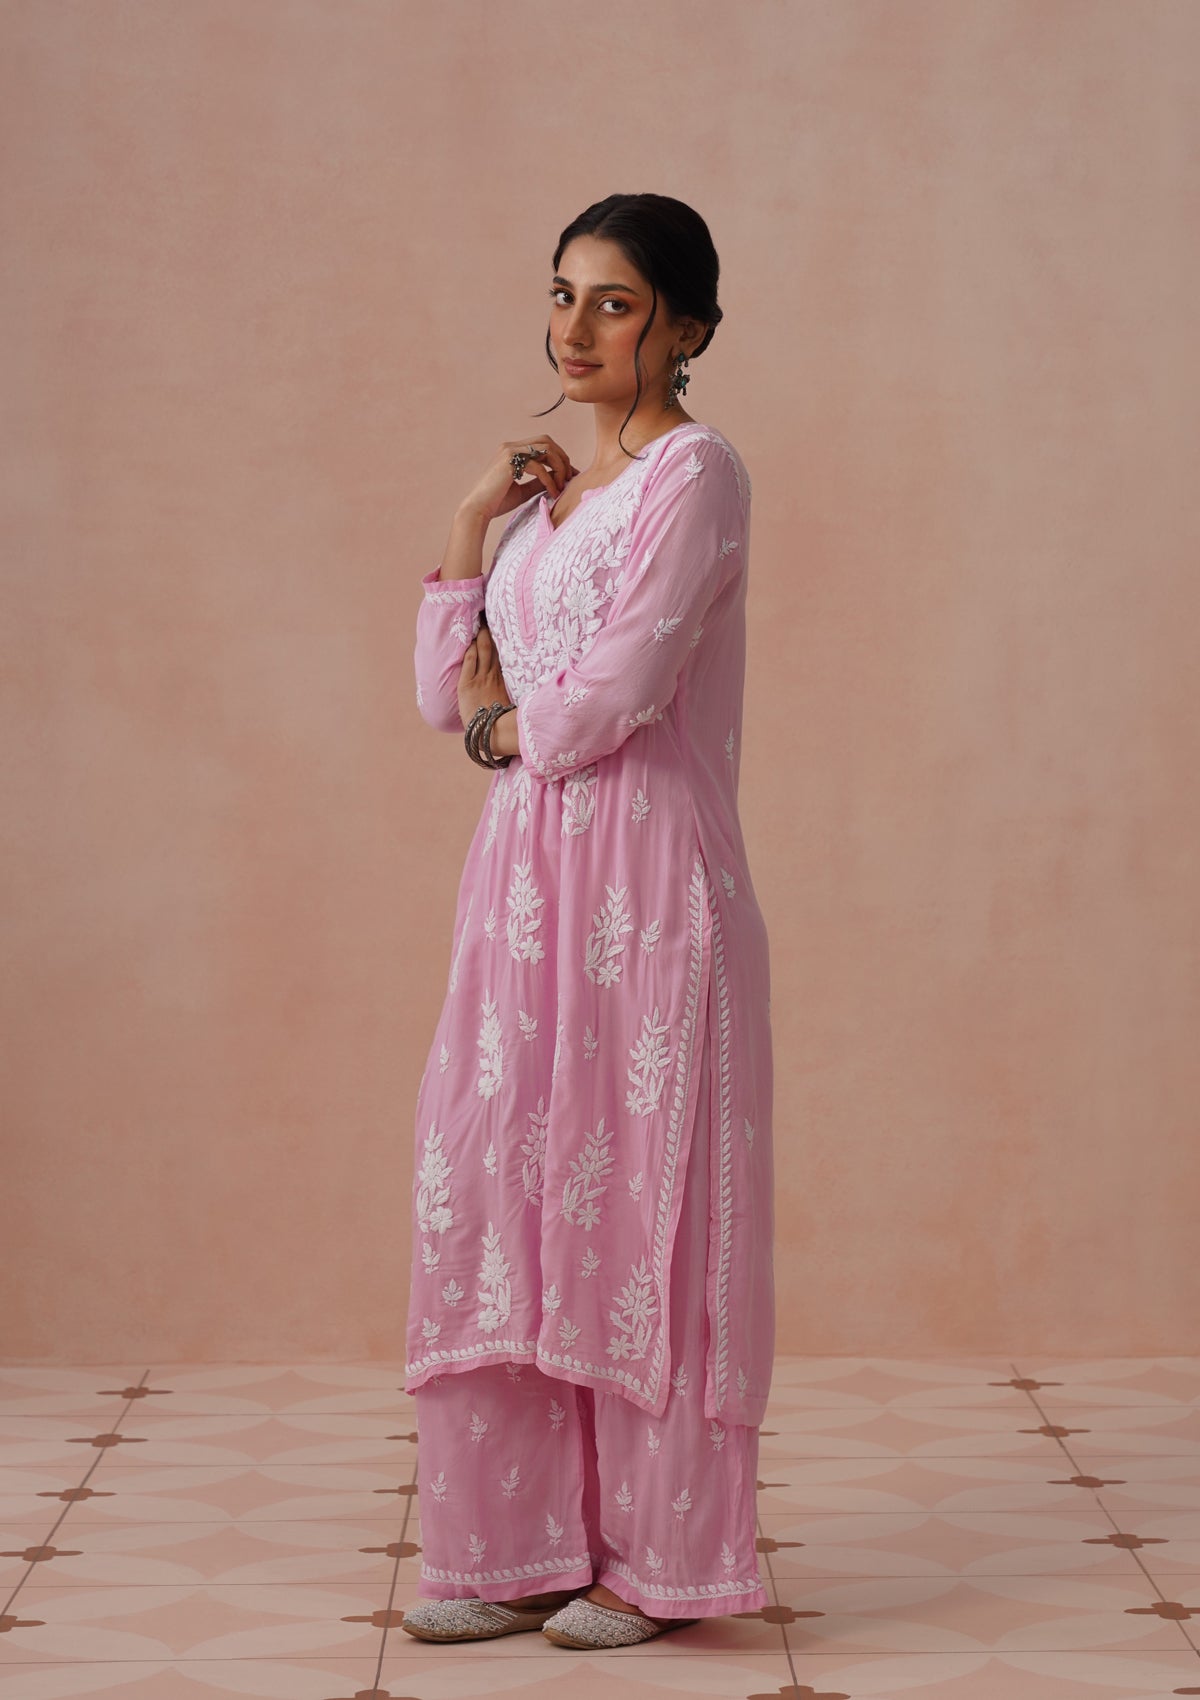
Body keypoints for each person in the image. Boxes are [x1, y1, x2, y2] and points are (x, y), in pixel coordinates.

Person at [400, 192, 775, 1651]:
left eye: (614, 302)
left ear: (686, 329)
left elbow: (609, 694)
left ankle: (656, 1565)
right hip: (521, 892)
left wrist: (501, 725)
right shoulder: (546, 504)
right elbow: (441, 692)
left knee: (640, 1201)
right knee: (498, 1185)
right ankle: (516, 1549)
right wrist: (470, 522)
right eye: (563, 294)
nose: (576, 326)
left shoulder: (697, 474)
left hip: (647, 886)